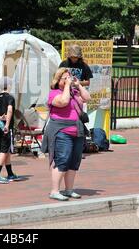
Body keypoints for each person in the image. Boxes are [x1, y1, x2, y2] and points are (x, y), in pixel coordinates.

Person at [41, 68, 91, 201]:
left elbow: (87, 98)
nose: (68, 79)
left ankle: (69, 190)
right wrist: (67, 86)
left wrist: (78, 85)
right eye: (65, 78)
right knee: (62, 160)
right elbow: (63, 102)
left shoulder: (74, 93)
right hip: (61, 132)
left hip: (77, 131)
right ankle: (54, 190)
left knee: (74, 162)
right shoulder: (54, 93)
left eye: (69, 77)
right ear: (58, 81)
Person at [0, 77, 21, 183]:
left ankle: (10, 174)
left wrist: (0, 118)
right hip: (6, 128)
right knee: (4, 151)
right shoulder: (10, 98)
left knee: (6, 150)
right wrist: (7, 124)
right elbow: (10, 110)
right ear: (9, 86)